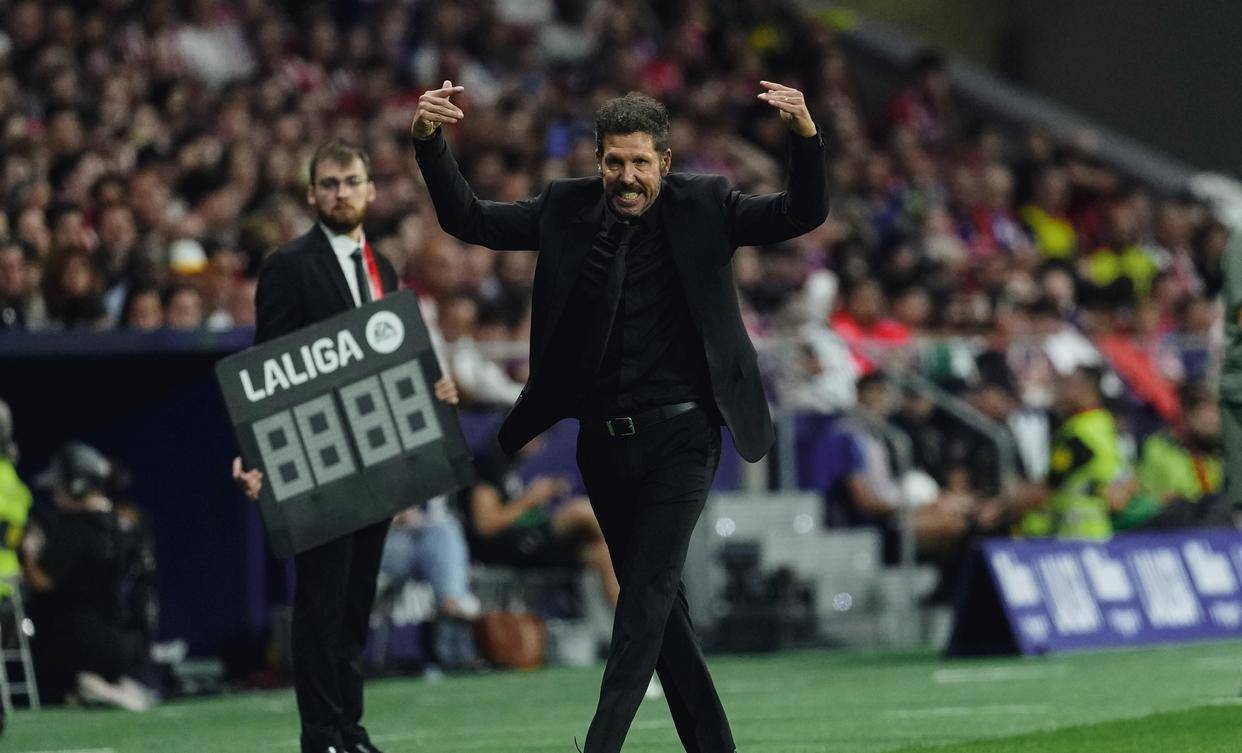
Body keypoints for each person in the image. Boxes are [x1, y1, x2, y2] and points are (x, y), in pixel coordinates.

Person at [411, 79, 827, 753]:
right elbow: (471, 221)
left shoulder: (708, 202)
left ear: (664, 160)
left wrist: (805, 136)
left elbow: (800, 212)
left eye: (639, 162)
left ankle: (600, 745)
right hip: (602, 443)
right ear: (598, 159)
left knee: (646, 594)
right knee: (659, 607)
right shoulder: (564, 207)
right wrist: (429, 143)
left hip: (685, 437)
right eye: (613, 162)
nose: (626, 177)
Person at [231, 138, 460, 753]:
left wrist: (429, 386)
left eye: (351, 182)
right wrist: (255, 453)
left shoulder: (382, 266)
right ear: (311, 195)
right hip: (319, 456)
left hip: (376, 455)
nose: (341, 193)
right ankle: (321, 736)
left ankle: (349, 729)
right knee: (322, 601)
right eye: (329, 184)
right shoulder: (288, 265)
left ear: (370, 190)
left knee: (357, 601)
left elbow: (389, 356)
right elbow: (268, 366)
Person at [21, 442, 157, 711]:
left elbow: (43, 582)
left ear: (76, 485)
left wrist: (26, 555)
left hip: (82, 643)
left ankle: (85, 686)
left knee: (40, 617)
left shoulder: (75, 530)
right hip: (129, 642)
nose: (56, 496)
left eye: (59, 488)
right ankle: (115, 683)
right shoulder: (126, 524)